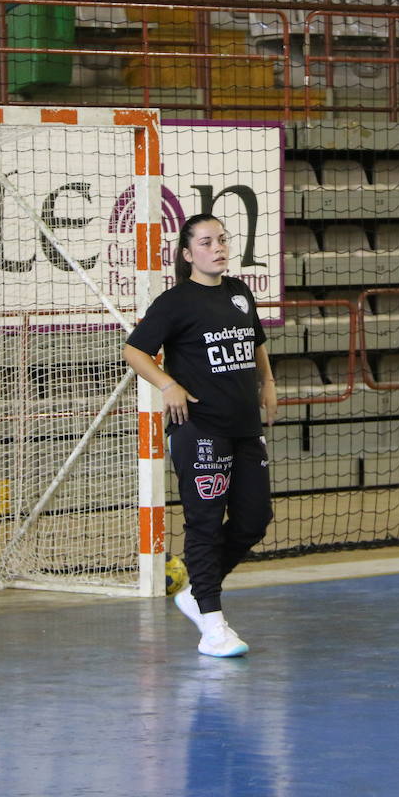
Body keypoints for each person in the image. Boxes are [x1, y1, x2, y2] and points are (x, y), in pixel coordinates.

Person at [123, 214, 278, 658]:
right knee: (205, 524)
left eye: (222, 240)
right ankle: (212, 623)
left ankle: (195, 592)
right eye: (207, 242)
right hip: (199, 429)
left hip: (245, 428)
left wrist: (267, 383)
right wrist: (168, 384)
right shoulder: (175, 303)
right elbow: (134, 349)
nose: (218, 247)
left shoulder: (240, 294)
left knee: (254, 518)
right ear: (189, 254)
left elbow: (256, 342)